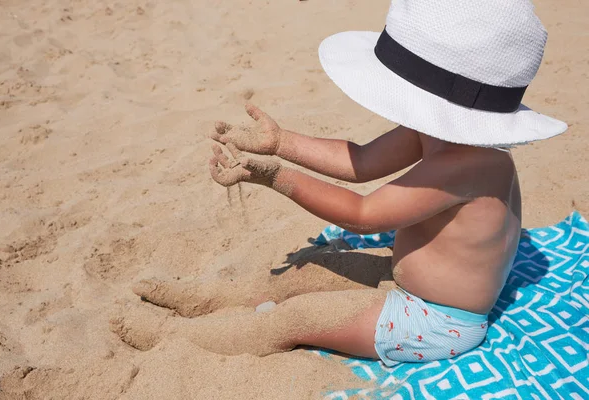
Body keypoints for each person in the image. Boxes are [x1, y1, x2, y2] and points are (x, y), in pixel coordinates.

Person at [114, 0, 567, 366]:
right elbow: (362, 161)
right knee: (305, 272)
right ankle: (206, 300)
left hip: (436, 321)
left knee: (297, 317)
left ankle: (177, 338)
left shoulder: (470, 166)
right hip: (407, 284)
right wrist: (280, 143)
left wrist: (275, 177)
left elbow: (362, 215)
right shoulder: (439, 133)